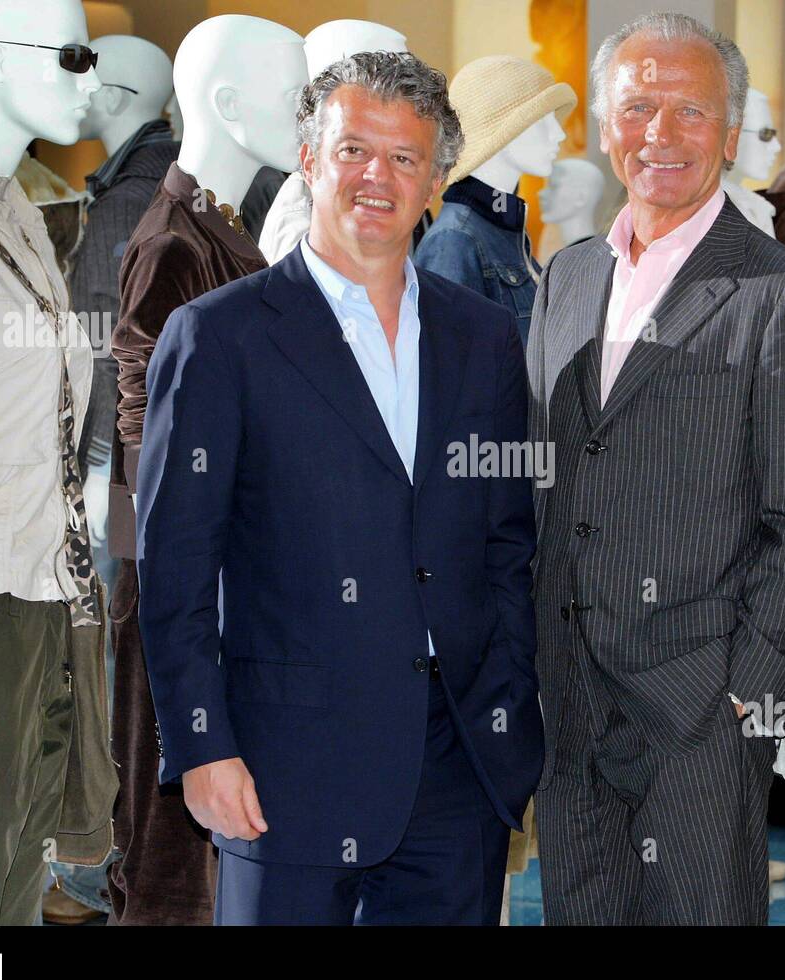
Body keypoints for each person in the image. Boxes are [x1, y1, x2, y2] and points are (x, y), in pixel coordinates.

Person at [135, 51, 543, 925]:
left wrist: (505, 708)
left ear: (437, 177)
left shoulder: (482, 338)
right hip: (284, 769)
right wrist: (203, 745)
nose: (376, 177)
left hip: (457, 768)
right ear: (310, 158)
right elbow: (173, 567)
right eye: (354, 148)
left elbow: (508, 541)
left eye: (405, 158)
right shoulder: (217, 337)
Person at [527, 12, 785, 925]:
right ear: (605, 128)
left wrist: (741, 700)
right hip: (568, 706)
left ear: (729, 131)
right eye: (638, 108)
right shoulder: (563, 280)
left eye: (690, 111)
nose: (660, 135)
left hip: (699, 715)